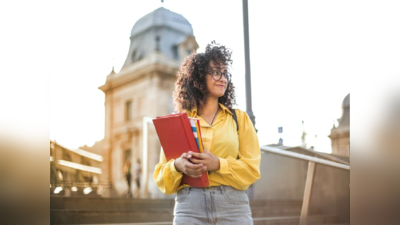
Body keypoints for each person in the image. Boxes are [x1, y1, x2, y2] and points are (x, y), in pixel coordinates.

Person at [154, 41, 261, 224]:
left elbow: (252, 170)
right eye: (216, 72)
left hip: (233, 207)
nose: (223, 78)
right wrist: (178, 166)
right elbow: (162, 179)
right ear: (199, 77)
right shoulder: (179, 121)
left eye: (225, 73)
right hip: (189, 207)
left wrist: (218, 164)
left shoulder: (239, 119)